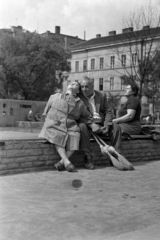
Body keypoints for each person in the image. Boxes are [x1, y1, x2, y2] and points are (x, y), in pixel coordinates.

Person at [79, 77, 141, 169]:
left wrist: (107, 124)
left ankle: (117, 155)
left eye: (86, 87)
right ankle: (88, 158)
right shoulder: (78, 97)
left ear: (92, 87)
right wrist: (91, 125)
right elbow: (77, 115)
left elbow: (108, 111)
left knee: (116, 127)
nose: (83, 89)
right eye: (82, 87)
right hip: (88, 123)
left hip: (101, 122)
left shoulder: (101, 95)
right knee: (81, 126)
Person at [38, 81, 92, 172]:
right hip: (54, 123)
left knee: (75, 136)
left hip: (70, 125)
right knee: (57, 135)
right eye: (72, 83)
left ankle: (62, 162)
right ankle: (67, 162)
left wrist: (92, 122)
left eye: (76, 85)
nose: (73, 84)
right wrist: (49, 121)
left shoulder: (80, 103)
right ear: (67, 86)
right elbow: (45, 112)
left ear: (78, 91)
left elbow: (87, 116)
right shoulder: (54, 96)